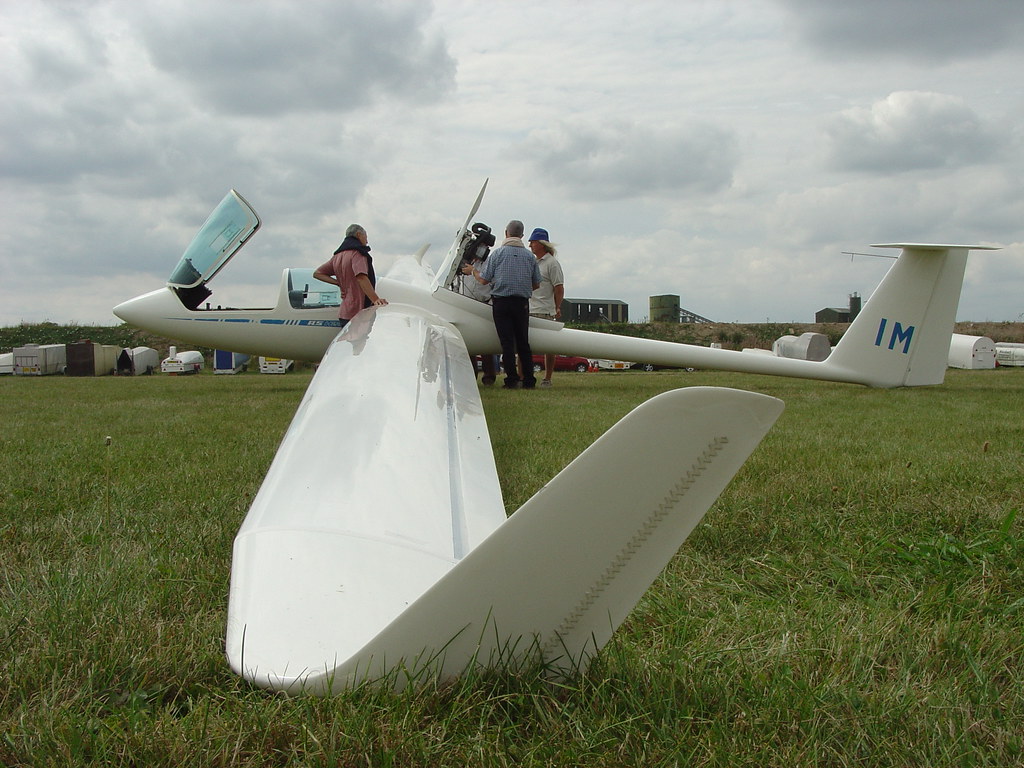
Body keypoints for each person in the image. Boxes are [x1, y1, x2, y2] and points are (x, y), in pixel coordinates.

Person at [465, 220, 540, 389]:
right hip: (521, 303)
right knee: (523, 343)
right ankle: (528, 379)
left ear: (506, 233)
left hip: (501, 302)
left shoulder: (497, 255)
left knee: (506, 343)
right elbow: (536, 284)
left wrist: (473, 271)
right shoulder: (529, 257)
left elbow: (484, 280)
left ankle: (511, 379)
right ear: (522, 235)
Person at [313, 224, 387, 327]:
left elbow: (317, 273)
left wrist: (338, 283)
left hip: (344, 312)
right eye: (366, 237)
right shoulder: (357, 253)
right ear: (358, 235)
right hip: (358, 313)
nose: (367, 241)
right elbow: (361, 277)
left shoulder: (337, 256)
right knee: (359, 342)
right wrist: (375, 299)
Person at [527, 227, 564, 387]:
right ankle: (524, 376)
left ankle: (547, 377)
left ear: (541, 244)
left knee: (549, 346)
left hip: (545, 310)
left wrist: (557, 307)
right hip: (530, 308)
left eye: (533, 242)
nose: (530, 246)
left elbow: (559, 287)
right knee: (525, 345)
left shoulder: (552, 264)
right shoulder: (533, 262)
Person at [460, 252, 498, 385]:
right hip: (466, 305)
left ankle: (489, 376)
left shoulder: (489, 262)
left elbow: (487, 280)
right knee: (469, 344)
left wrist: (473, 271)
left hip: (483, 305)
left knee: (485, 344)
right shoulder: (463, 261)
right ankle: (471, 375)